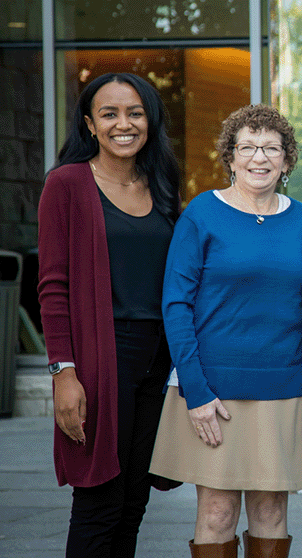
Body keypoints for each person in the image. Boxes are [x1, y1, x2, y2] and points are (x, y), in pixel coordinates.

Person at [149, 104, 302, 558]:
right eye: (248, 147)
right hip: (213, 393)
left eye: (271, 148)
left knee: (271, 515)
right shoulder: (202, 214)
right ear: (231, 156)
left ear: (286, 158)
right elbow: (176, 305)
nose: (259, 158)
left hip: (283, 388)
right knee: (216, 514)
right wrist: (195, 391)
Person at [37, 72, 181, 558]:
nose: (125, 123)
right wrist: (63, 373)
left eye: (135, 112)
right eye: (110, 113)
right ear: (89, 124)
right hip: (101, 358)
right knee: (100, 498)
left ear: (150, 120)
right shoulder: (67, 185)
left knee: (134, 500)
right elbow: (52, 287)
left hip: (156, 360)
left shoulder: (161, 182)